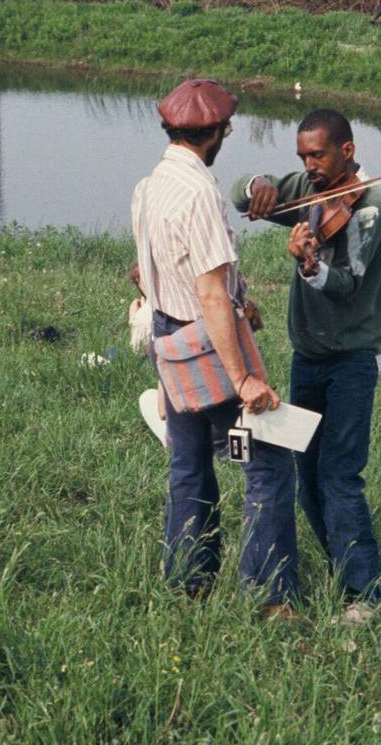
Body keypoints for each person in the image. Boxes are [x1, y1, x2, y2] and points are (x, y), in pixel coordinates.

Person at [130, 79, 298, 620]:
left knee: (189, 462)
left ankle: (189, 582)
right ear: (219, 133)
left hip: (168, 340)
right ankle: (268, 595)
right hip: (207, 353)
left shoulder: (151, 185)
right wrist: (244, 379)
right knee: (266, 460)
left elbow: (148, 276)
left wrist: (240, 296)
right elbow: (209, 294)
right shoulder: (200, 194)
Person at [232, 109, 381, 624]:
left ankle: (367, 593)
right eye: (302, 156)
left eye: (317, 155)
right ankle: (343, 563)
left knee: (339, 474)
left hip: (352, 360)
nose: (309, 165)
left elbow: (347, 287)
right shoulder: (307, 185)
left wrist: (311, 263)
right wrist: (254, 185)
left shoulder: (370, 210)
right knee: (306, 474)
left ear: (346, 151)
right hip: (308, 357)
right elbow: (242, 192)